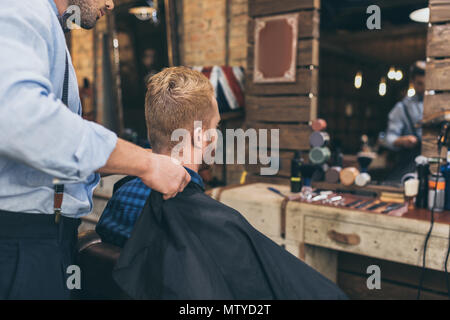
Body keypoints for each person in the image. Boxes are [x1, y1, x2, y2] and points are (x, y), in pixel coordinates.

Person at [98, 67, 347, 299]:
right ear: (199, 136)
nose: (217, 137)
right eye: (216, 127)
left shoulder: (121, 197)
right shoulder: (213, 223)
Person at [0, 0, 190, 300]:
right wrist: (147, 164)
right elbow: (21, 120)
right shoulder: (22, 7)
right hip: (20, 240)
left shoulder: (46, 23)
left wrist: (129, 161)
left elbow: (55, 146)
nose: (111, 3)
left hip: (46, 236)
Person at [385, 61, 426, 180]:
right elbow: (389, 138)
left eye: (426, 83)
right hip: (410, 164)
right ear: (412, 82)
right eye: (419, 83)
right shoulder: (401, 108)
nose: (424, 88)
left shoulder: (441, 105)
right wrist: (402, 140)